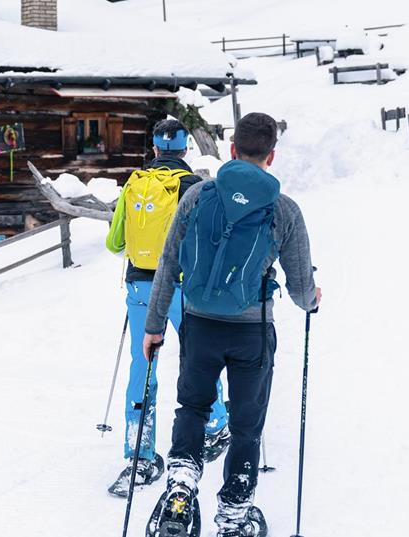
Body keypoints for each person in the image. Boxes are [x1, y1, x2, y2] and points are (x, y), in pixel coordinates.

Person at [142, 113, 321, 536]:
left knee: (193, 407)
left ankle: (181, 488)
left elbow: (169, 262)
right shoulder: (284, 210)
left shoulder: (199, 196)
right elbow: (300, 290)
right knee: (245, 425)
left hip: (199, 325)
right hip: (252, 332)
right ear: (271, 156)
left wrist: (154, 326)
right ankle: (235, 516)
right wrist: (312, 299)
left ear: (232, 150)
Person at [104, 119, 231, 498]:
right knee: (200, 358)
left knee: (143, 367)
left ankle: (140, 455)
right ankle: (214, 425)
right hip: (184, 286)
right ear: (185, 150)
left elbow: (114, 243)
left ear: (155, 149)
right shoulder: (195, 186)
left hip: (141, 285)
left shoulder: (135, 183)